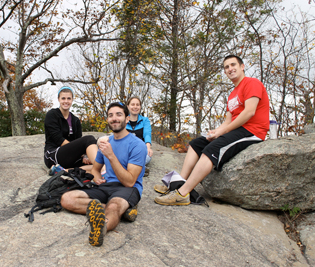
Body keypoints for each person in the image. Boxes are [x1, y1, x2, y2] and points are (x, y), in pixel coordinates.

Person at [154, 55, 269, 205]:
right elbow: (228, 120)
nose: (230, 69)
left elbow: (249, 112)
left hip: (252, 131)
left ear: (242, 66)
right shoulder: (233, 94)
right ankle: (178, 182)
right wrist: (216, 132)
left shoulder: (252, 83)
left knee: (212, 149)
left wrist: (224, 131)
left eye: (233, 65)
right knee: (197, 143)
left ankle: (182, 194)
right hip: (235, 130)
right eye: (226, 67)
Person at [60, 102, 147, 247]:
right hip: (105, 186)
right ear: (107, 120)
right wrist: (97, 177)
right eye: (110, 115)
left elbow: (130, 181)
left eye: (119, 114)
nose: (114, 118)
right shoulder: (105, 142)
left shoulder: (138, 145)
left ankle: (101, 228)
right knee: (67, 199)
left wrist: (111, 156)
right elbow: (95, 169)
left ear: (127, 119)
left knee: (114, 207)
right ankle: (124, 210)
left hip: (126, 189)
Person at [44, 86, 98, 173]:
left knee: (92, 165)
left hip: (70, 158)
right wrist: (79, 153)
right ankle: (100, 170)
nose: (66, 101)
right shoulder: (52, 115)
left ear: (72, 100)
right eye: (63, 98)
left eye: (69, 98)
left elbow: (78, 140)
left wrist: (84, 156)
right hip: (54, 155)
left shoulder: (75, 120)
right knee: (89, 139)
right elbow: (58, 139)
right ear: (58, 99)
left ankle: (63, 171)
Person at [126, 96, 153, 165]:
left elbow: (147, 134)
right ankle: (137, 168)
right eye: (132, 104)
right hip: (125, 150)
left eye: (137, 105)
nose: (135, 107)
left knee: (147, 157)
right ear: (128, 106)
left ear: (140, 107)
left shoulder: (145, 120)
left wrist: (148, 147)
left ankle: (129, 167)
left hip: (140, 151)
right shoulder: (123, 120)